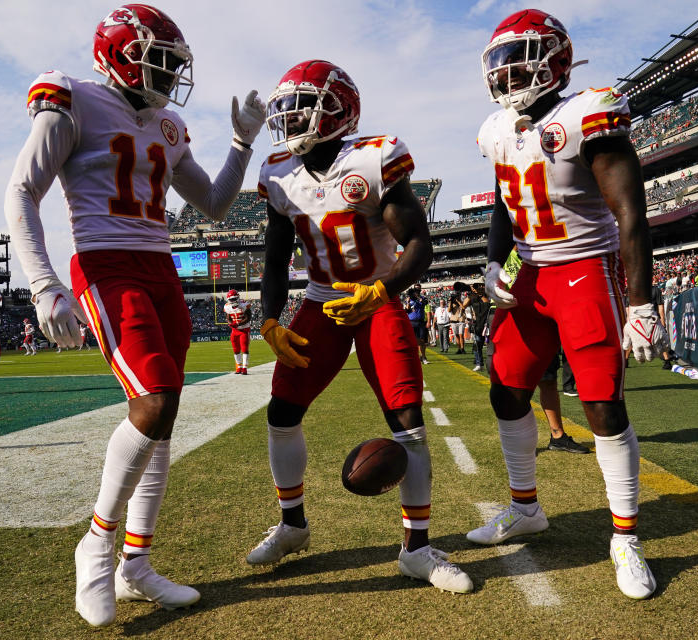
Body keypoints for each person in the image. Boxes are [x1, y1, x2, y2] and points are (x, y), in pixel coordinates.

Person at [3, 4, 266, 626]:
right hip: (105, 264)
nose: (172, 75)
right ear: (121, 53)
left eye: (175, 65)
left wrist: (241, 143)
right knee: (152, 401)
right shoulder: (74, 98)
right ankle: (95, 545)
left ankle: (136, 566)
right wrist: (43, 285)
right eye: (162, 61)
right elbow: (22, 190)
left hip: (161, 271)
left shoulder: (169, 126)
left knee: (164, 419)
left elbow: (217, 204)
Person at [249, 59, 472, 594]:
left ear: (338, 109)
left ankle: (416, 550)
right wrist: (271, 317)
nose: (290, 118)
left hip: (376, 301)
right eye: (286, 109)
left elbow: (420, 243)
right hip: (322, 301)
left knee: (408, 420)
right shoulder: (278, 172)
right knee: (282, 411)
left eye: (301, 106)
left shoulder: (375, 159)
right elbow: (276, 259)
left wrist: (384, 290)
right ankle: (292, 525)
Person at [469, 9, 668, 600]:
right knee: (506, 389)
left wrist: (641, 301)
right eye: (500, 62)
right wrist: (496, 265)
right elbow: (507, 207)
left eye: (519, 58)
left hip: (584, 267)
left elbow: (630, 209)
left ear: (556, 58)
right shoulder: (496, 130)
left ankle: (625, 538)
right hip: (529, 271)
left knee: (603, 405)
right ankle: (525, 507)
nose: (507, 74)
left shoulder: (588, 113)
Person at [223, 289, 251, 374]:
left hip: (244, 330)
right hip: (234, 331)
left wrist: (237, 323)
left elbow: (248, 318)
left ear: (237, 298)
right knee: (235, 349)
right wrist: (231, 323)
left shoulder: (244, 305)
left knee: (244, 349)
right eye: (231, 299)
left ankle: (244, 367)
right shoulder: (227, 307)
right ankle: (238, 366)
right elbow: (228, 317)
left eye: (233, 299)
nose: (232, 301)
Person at [405, 284, 430, 364]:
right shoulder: (409, 299)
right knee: (413, 340)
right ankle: (417, 356)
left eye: (418, 290)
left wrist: (418, 297)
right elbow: (407, 310)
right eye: (415, 290)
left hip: (421, 321)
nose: (417, 291)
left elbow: (425, 303)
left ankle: (423, 357)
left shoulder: (422, 298)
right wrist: (408, 301)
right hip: (411, 321)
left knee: (422, 340)